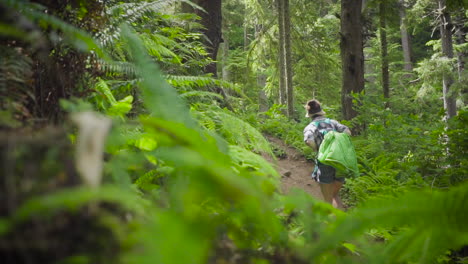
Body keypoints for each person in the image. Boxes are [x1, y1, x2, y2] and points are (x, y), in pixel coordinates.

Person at [303, 99, 351, 209]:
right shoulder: (332, 122)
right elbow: (347, 132)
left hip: (324, 163)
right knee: (335, 195)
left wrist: (318, 149)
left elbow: (308, 141)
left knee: (328, 200)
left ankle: (331, 223)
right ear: (321, 111)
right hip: (340, 162)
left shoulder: (310, 127)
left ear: (310, 115)